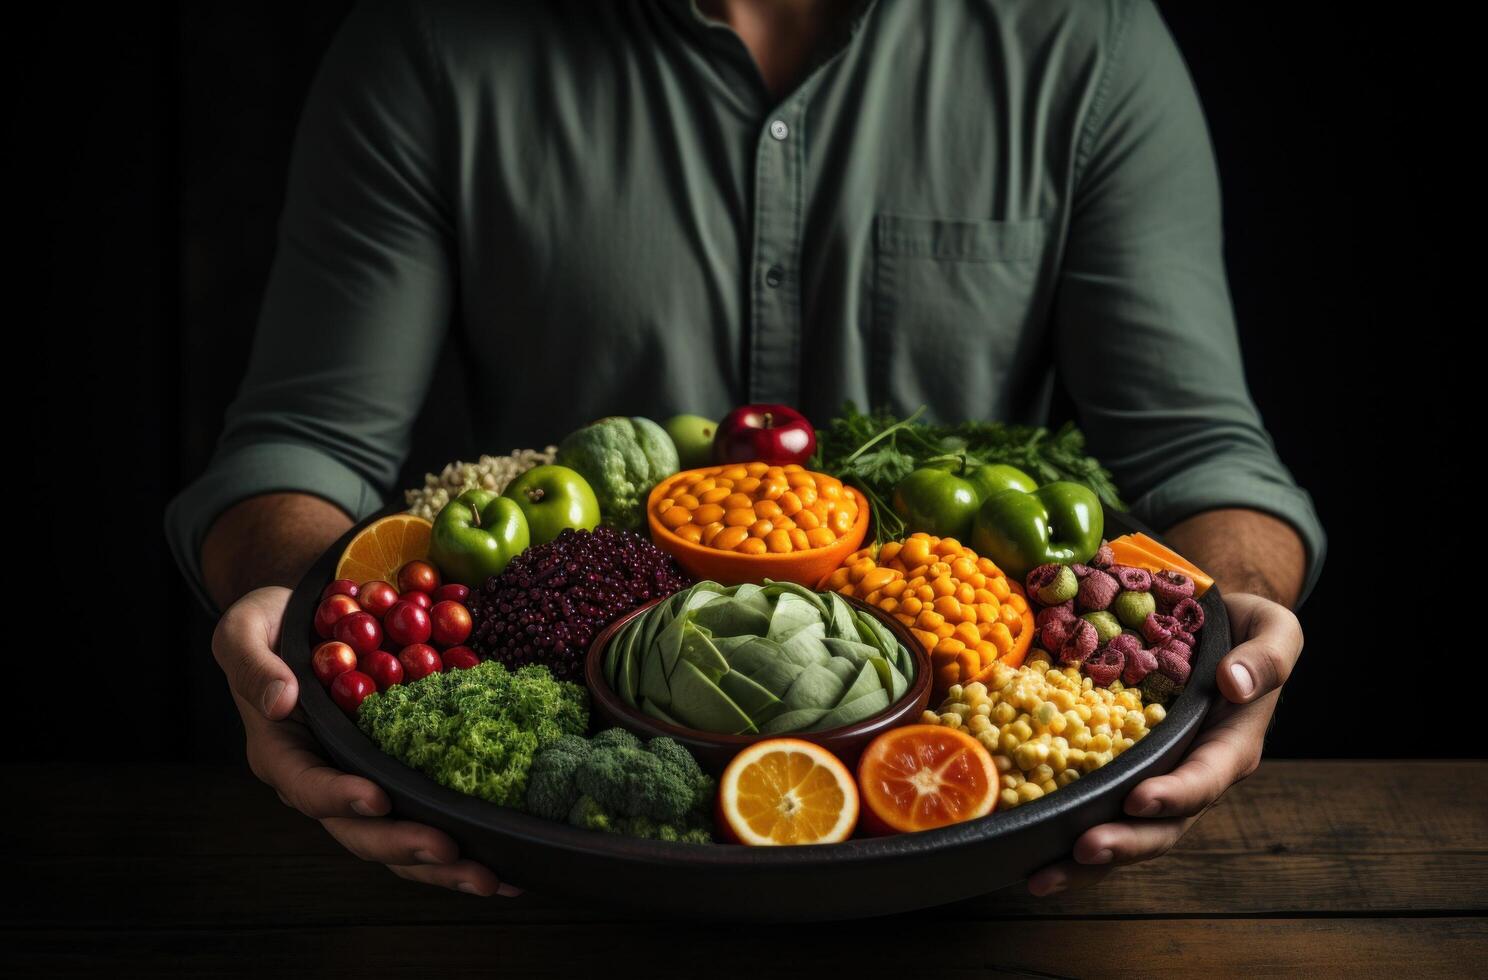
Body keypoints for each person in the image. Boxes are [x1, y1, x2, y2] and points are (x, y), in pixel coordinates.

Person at [166, 0, 1323, 899]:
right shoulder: (428, 41)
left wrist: (1232, 625)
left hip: (972, 880)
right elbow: (301, 441)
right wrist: (290, 626)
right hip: (545, 884)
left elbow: (1202, 449)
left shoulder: (1086, 37)